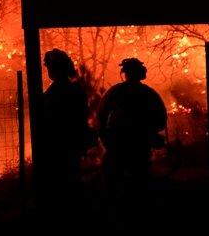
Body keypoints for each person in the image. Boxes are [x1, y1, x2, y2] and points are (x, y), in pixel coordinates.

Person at [96, 58, 167, 200]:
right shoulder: (148, 93)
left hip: (118, 144)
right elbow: (161, 120)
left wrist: (105, 136)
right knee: (138, 183)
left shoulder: (116, 91)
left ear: (125, 73)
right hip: (139, 146)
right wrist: (149, 133)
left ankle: (114, 207)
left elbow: (101, 114)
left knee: (113, 183)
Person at [36, 48, 93, 207]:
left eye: (49, 67)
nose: (48, 70)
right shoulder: (76, 90)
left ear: (56, 68)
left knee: (60, 185)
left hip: (58, 146)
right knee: (72, 178)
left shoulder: (53, 93)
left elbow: (48, 120)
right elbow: (83, 115)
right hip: (73, 144)